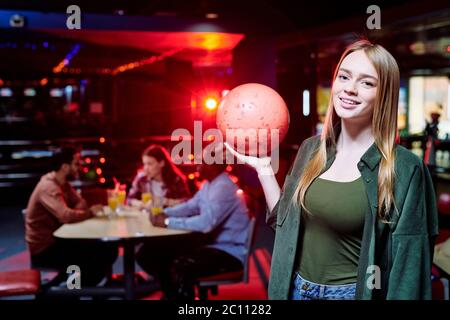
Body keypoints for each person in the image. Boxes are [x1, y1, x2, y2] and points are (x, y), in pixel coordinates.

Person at [225, 40, 439, 300]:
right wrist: (264, 170)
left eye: (366, 82)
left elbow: (409, 270)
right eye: (344, 76)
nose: (349, 89)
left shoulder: (404, 168)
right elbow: (285, 224)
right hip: (296, 290)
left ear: (384, 94)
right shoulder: (311, 150)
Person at [136, 148, 250, 300]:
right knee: (149, 253)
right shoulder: (210, 185)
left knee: (175, 263)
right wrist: (166, 213)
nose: (197, 166)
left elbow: (206, 224)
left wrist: (167, 222)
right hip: (210, 245)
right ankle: (172, 293)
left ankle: (176, 296)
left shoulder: (223, 187)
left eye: (201, 163)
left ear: (214, 165)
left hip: (228, 253)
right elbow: (191, 206)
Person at [25, 146, 117, 286]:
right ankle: (64, 289)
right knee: (100, 253)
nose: (79, 167)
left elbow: (81, 203)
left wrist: (76, 211)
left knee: (108, 248)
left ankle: (73, 286)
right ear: (64, 167)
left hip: (61, 239)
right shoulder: (49, 187)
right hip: (45, 249)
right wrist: (90, 213)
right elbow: (66, 216)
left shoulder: (63, 184)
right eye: (76, 164)